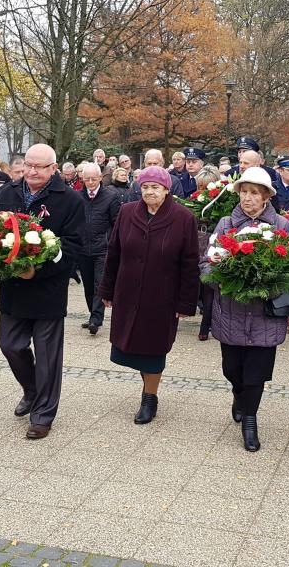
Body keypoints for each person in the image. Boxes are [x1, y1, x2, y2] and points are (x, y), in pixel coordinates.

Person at [0, 143, 85, 440]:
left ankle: (43, 414)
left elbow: (72, 247)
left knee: (47, 355)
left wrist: (38, 269)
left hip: (47, 288)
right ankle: (32, 390)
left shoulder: (69, 200)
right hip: (13, 287)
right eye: (28, 165)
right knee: (10, 344)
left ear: (53, 169)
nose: (31, 171)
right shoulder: (8, 193)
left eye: (39, 167)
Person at [98, 166, 199, 424]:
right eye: (145, 187)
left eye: (155, 187)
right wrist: (107, 290)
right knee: (132, 346)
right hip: (128, 292)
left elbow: (190, 262)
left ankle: (149, 398)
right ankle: (148, 389)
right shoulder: (127, 212)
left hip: (162, 296)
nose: (149, 192)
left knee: (154, 350)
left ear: (167, 189)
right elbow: (114, 252)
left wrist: (187, 302)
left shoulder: (183, 217)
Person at [203, 168, 289, 451]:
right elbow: (207, 262)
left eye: (255, 192)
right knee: (233, 369)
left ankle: (250, 419)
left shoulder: (280, 225)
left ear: (266, 197)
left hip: (265, 313)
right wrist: (225, 278)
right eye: (244, 191)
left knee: (257, 371)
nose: (248, 198)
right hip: (231, 310)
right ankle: (238, 395)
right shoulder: (226, 223)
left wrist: (269, 280)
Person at [77, 163, 121, 335]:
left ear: (100, 178)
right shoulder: (77, 197)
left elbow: (116, 222)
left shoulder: (110, 197)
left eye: (93, 179)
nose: (90, 182)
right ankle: (92, 315)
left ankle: (96, 319)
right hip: (83, 249)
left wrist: (112, 243)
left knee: (99, 284)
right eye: (86, 179)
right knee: (88, 285)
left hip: (102, 248)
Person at [194, 165, 221, 342]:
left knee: (209, 284)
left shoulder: (223, 201)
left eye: (205, 186)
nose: (202, 190)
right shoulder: (194, 199)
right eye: (200, 186)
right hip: (197, 241)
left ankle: (206, 324)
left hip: (213, 241)